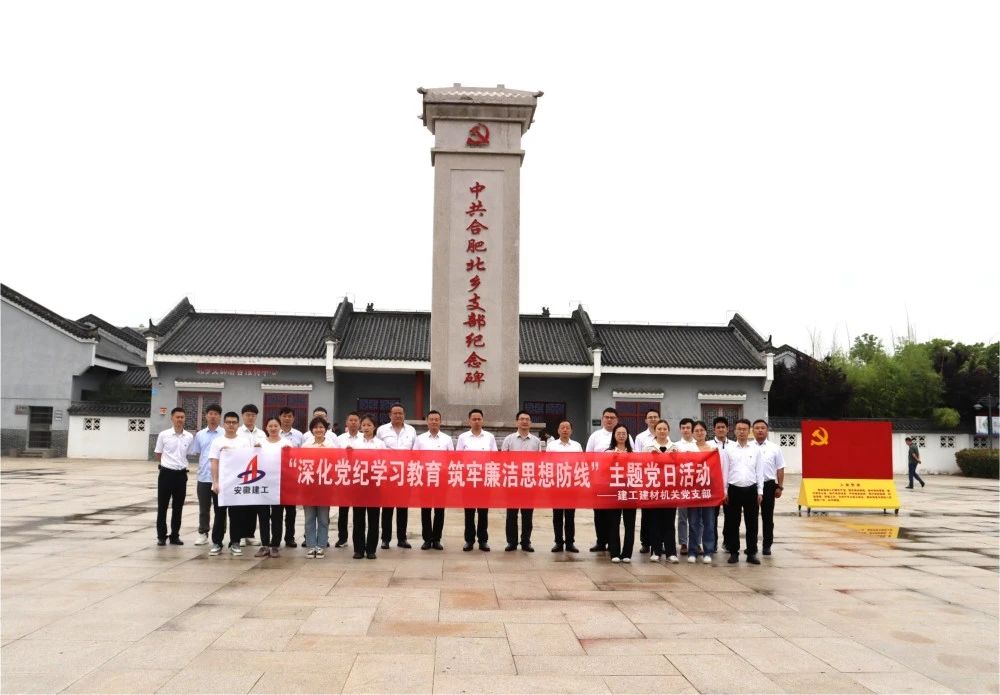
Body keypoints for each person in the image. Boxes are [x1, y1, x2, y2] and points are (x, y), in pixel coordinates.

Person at [586, 408, 633, 552]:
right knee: (599, 513)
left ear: (617, 420)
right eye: (606, 417)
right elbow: (588, 457)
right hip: (600, 482)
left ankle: (613, 544)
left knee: (614, 516)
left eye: (612, 417)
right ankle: (601, 541)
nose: (609, 420)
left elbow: (634, 457)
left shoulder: (626, 436)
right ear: (602, 419)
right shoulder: (595, 436)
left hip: (622, 482)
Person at [208, 411, 251, 556]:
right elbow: (214, 462)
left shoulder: (244, 442)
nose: (231, 425)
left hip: (238, 485)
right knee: (219, 515)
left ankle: (235, 542)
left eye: (234, 422)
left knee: (237, 515)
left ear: (238, 425)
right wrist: (215, 482)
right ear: (224, 424)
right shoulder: (217, 441)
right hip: (221, 485)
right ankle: (217, 542)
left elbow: (248, 461)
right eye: (228, 422)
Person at [722, 418, 763, 565]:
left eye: (744, 429)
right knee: (733, 523)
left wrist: (760, 491)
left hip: (751, 489)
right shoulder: (728, 449)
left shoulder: (756, 450)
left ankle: (751, 553)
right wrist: (724, 491)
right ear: (734, 431)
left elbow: (759, 471)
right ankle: (734, 552)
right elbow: (725, 471)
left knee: (752, 523)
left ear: (749, 431)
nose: (741, 432)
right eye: (739, 429)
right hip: (733, 489)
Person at [376, 403, 417, 549]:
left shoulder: (411, 430)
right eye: (395, 413)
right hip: (387, 474)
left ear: (404, 415)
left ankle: (402, 538)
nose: (398, 415)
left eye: (400, 413)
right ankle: (385, 539)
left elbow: (415, 451)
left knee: (402, 508)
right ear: (390, 415)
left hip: (404, 474)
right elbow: (377, 450)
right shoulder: (381, 430)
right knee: (387, 508)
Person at [456, 408, 497, 551]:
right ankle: (469, 540)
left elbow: (494, 458)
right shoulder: (463, 437)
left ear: (483, 420)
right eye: (474, 419)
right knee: (469, 512)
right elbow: (458, 458)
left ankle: (483, 540)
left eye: (479, 419)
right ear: (469, 421)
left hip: (484, 479)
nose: (477, 421)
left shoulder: (489, 437)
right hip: (468, 479)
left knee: (483, 512)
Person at [153, 407, 193, 546]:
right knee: (162, 507)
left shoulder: (189, 436)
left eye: (182, 417)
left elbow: (188, 453)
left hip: (181, 475)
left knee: (178, 507)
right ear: (172, 418)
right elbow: (158, 453)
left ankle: (175, 535)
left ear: (184, 419)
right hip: (166, 474)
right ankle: (161, 536)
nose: (180, 419)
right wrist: (167, 464)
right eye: (177, 417)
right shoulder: (164, 435)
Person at [413, 410, 453, 550]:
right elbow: (415, 457)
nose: (434, 422)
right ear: (427, 421)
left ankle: (436, 539)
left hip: (441, 479)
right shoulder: (420, 439)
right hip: (424, 478)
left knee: (439, 510)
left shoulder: (447, 439)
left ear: (440, 421)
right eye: (431, 419)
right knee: (425, 510)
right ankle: (427, 539)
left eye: (436, 419)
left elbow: (452, 459)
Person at [501, 410, 540, 552]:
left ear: (530, 423)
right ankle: (512, 542)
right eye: (522, 419)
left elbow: (539, 462)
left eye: (527, 419)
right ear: (516, 422)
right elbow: (502, 460)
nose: (524, 421)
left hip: (529, 482)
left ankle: (526, 542)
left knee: (527, 514)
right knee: (511, 514)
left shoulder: (536, 441)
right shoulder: (509, 439)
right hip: (512, 482)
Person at [300, 416, 337, 558]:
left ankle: (321, 546)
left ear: (326, 429)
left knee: (323, 519)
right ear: (312, 430)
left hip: (325, 488)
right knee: (309, 518)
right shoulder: (306, 446)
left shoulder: (331, 446)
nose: (318, 430)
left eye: (321, 427)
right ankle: (311, 546)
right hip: (309, 487)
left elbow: (335, 465)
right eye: (315, 427)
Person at [256, 417, 291, 558]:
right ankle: (264, 544)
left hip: (279, 484)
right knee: (263, 515)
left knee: (277, 515)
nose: (273, 428)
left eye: (276, 425)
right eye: (270, 426)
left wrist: (289, 452)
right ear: (266, 428)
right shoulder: (260, 443)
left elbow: (291, 463)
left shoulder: (286, 443)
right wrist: (254, 450)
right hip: (262, 483)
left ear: (280, 427)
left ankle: (275, 545)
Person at [351, 414, 385, 559]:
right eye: (364, 425)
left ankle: (371, 550)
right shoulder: (355, 443)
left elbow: (385, 463)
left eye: (369, 425)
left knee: (373, 519)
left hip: (374, 484)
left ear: (374, 427)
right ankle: (358, 549)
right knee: (358, 518)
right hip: (358, 484)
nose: (366, 427)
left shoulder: (380, 444)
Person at [643, 420, 678, 563]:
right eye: (659, 429)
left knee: (669, 522)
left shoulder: (675, 448)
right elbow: (642, 467)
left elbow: (680, 468)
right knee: (654, 521)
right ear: (655, 431)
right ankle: (656, 551)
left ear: (668, 431)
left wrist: (675, 458)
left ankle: (671, 552)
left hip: (670, 490)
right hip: (654, 490)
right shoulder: (648, 448)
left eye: (664, 429)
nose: (662, 431)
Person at [189, 403, 223, 546]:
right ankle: (203, 533)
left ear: (219, 416)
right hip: (203, 477)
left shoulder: (224, 434)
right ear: (206, 416)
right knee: (204, 508)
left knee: (220, 509)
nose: (213, 416)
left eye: (216, 414)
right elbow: (197, 453)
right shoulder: (200, 435)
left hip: (221, 478)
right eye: (210, 414)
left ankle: (220, 534)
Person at [547, 419, 582, 553]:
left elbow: (581, 464)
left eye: (567, 427)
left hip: (571, 485)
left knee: (570, 515)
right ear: (558, 430)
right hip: (556, 485)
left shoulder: (577, 446)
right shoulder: (552, 446)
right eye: (562, 427)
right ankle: (558, 542)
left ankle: (570, 543)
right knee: (557, 515)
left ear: (571, 430)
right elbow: (547, 464)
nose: (565, 430)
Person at [751, 420, 785, 556]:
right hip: (752, 486)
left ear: (767, 430)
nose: (760, 430)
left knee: (768, 517)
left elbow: (780, 468)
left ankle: (767, 546)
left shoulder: (774, 448)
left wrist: (780, 487)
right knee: (751, 517)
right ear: (752, 430)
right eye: (757, 428)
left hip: (769, 485)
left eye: (763, 428)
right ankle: (752, 546)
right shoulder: (748, 447)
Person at [688, 420, 717, 564]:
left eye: (701, 430)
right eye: (696, 431)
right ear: (693, 433)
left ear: (706, 432)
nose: (699, 433)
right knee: (693, 522)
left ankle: (708, 551)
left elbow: (718, 470)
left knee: (709, 522)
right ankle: (693, 551)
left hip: (709, 491)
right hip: (693, 490)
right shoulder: (688, 449)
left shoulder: (713, 449)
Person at [606, 424, 636, 563]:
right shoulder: (608, 452)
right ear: (614, 435)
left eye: (624, 433)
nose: (621, 436)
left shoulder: (634, 453)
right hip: (613, 491)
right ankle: (614, 553)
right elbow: (603, 471)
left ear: (628, 436)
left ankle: (627, 553)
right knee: (613, 523)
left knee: (630, 524)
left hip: (630, 491)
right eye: (619, 433)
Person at [334, 411, 364, 548]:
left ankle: (358, 539)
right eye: (350, 420)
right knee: (343, 511)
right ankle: (342, 538)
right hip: (344, 478)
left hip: (360, 478)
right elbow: (334, 457)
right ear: (346, 422)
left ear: (360, 423)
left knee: (358, 512)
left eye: (355, 420)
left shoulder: (364, 438)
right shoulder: (339, 439)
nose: (353, 423)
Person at [237, 404, 266, 547]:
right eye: (247, 415)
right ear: (243, 416)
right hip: (240, 473)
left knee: (253, 506)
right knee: (241, 506)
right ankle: (240, 535)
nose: (250, 417)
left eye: (253, 415)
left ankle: (250, 534)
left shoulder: (261, 434)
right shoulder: (237, 432)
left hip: (257, 474)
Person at [634, 408, 660, 554]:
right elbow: (637, 458)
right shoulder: (640, 437)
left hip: (661, 480)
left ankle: (660, 542)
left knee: (660, 513)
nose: (653, 419)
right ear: (646, 420)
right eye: (650, 417)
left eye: (655, 417)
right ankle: (646, 542)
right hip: (646, 479)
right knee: (647, 513)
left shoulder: (664, 434)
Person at [276, 407, 303, 548]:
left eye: (290, 416)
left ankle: (289, 538)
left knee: (291, 511)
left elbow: (304, 456)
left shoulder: (299, 435)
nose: (287, 418)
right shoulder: (273, 432)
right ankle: (276, 538)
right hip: (276, 478)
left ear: (293, 418)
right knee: (276, 512)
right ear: (280, 417)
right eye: (284, 416)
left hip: (292, 478)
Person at [673, 418, 697, 554]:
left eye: (688, 427)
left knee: (696, 518)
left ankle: (696, 542)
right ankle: (683, 543)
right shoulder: (675, 446)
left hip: (697, 486)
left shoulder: (698, 445)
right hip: (681, 486)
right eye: (683, 428)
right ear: (680, 429)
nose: (686, 430)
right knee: (682, 517)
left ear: (692, 429)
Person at [711, 416, 731, 549]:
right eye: (718, 427)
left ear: (727, 429)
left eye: (723, 427)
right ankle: (712, 543)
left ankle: (728, 542)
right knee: (712, 517)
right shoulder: (708, 445)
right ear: (714, 429)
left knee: (730, 517)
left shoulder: (734, 445)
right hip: (713, 487)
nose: (721, 429)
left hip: (731, 487)